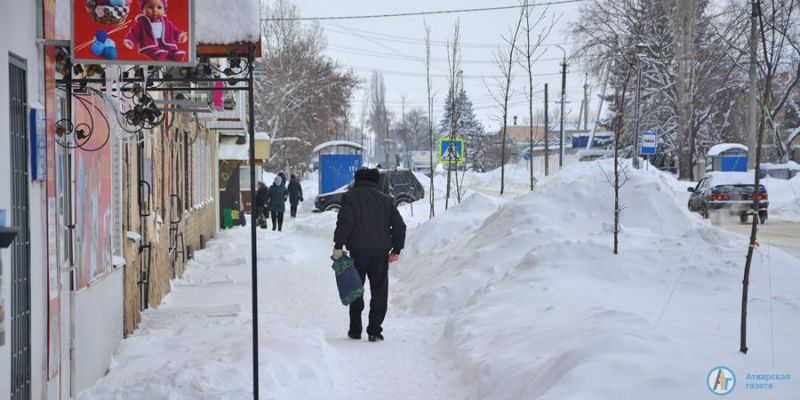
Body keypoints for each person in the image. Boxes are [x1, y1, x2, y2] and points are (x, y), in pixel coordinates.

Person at [332, 168, 406, 342]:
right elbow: (400, 226)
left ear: (357, 180)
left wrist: (338, 245)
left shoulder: (349, 197)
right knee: (379, 291)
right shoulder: (386, 200)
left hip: (357, 251)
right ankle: (374, 330)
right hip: (380, 253)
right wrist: (396, 249)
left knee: (356, 289)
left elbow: (345, 223)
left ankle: (355, 329)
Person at [123, 0, 188, 62]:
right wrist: (129, 41)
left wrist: (181, 35)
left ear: (164, 9)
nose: (155, 10)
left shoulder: (166, 23)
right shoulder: (142, 23)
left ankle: (175, 54)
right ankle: (157, 54)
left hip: (165, 43)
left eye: (159, 7)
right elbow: (134, 32)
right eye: (150, 7)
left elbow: (173, 30)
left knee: (169, 49)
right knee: (151, 50)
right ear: (143, 9)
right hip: (149, 43)